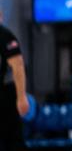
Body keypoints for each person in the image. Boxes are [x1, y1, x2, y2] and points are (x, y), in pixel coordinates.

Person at [0, 12, 29, 151]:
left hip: (4, 96)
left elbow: (18, 65)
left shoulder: (5, 35)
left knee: (13, 141)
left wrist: (21, 97)